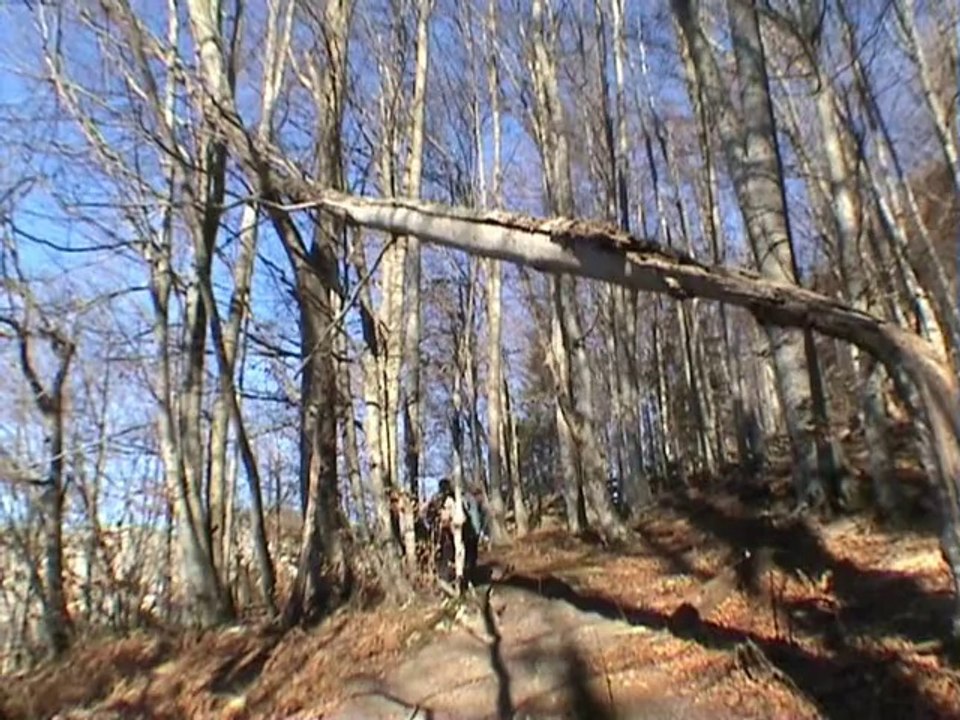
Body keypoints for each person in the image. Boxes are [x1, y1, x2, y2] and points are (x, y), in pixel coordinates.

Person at [423, 478, 480, 588]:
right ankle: (459, 579)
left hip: (461, 533)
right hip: (453, 534)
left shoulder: (457, 499)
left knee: (463, 556)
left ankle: (464, 579)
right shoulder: (446, 499)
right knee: (459, 555)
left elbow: (469, 517)